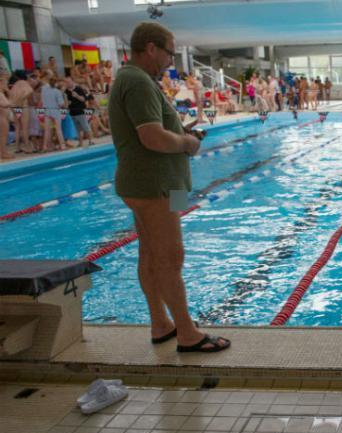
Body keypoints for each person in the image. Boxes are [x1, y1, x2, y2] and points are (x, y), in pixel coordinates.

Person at [109, 22, 230, 353]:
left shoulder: (137, 79)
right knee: (170, 257)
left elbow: (157, 129)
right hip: (155, 186)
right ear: (151, 48)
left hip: (166, 184)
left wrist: (182, 133)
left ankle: (161, 324)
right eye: (169, 53)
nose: (170, 60)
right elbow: (152, 136)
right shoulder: (136, 81)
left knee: (150, 254)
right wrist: (188, 144)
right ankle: (188, 334)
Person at [9, 71, 38, 153]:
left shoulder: (14, 85)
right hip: (23, 107)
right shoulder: (24, 83)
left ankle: (17, 147)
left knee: (17, 128)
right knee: (25, 128)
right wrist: (21, 100)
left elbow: (11, 97)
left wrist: (16, 103)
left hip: (14, 107)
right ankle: (28, 147)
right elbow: (30, 91)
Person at [65, 77, 95, 147]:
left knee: (86, 127)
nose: (68, 83)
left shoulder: (78, 89)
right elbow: (66, 103)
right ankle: (80, 143)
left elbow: (84, 99)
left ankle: (91, 141)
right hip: (72, 113)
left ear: (72, 81)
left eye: (69, 82)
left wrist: (77, 96)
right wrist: (67, 103)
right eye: (66, 82)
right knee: (78, 129)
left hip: (80, 111)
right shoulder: (66, 92)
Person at [40, 76, 67, 152]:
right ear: (56, 83)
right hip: (55, 110)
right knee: (58, 129)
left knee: (47, 130)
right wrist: (62, 92)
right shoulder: (57, 92)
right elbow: (61, 104)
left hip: (47, 110)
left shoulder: (43, 89)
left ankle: (45, 147)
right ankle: (62, 145)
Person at [0, 59, 15, 159]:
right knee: (3, 136)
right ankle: (3, 153)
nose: (7, 84)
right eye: (5, 82)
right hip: (2, 118)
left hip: (4, 117)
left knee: (3, 136)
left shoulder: (2, 93)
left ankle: (3, 152)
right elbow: (6, 104)